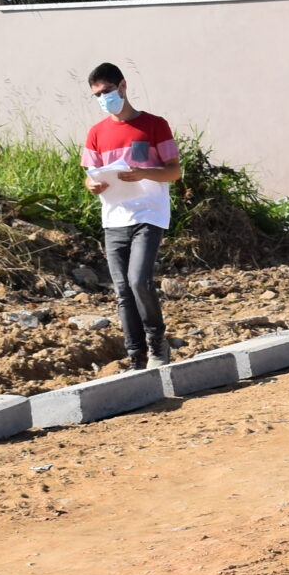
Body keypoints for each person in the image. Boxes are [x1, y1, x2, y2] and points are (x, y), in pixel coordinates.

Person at [82, 62, 184, 369]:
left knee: (139, 281)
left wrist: (143, 174)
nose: (104, 98)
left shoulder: (154, 125)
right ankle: (135, 356)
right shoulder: (96, 133)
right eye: (97, 94)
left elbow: (174, 172)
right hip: (114, 218)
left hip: (149, 214)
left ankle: (157, 344)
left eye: (108, 91)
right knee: (123, 290)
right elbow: (90, 176)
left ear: (123, 86)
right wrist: (92, 185)